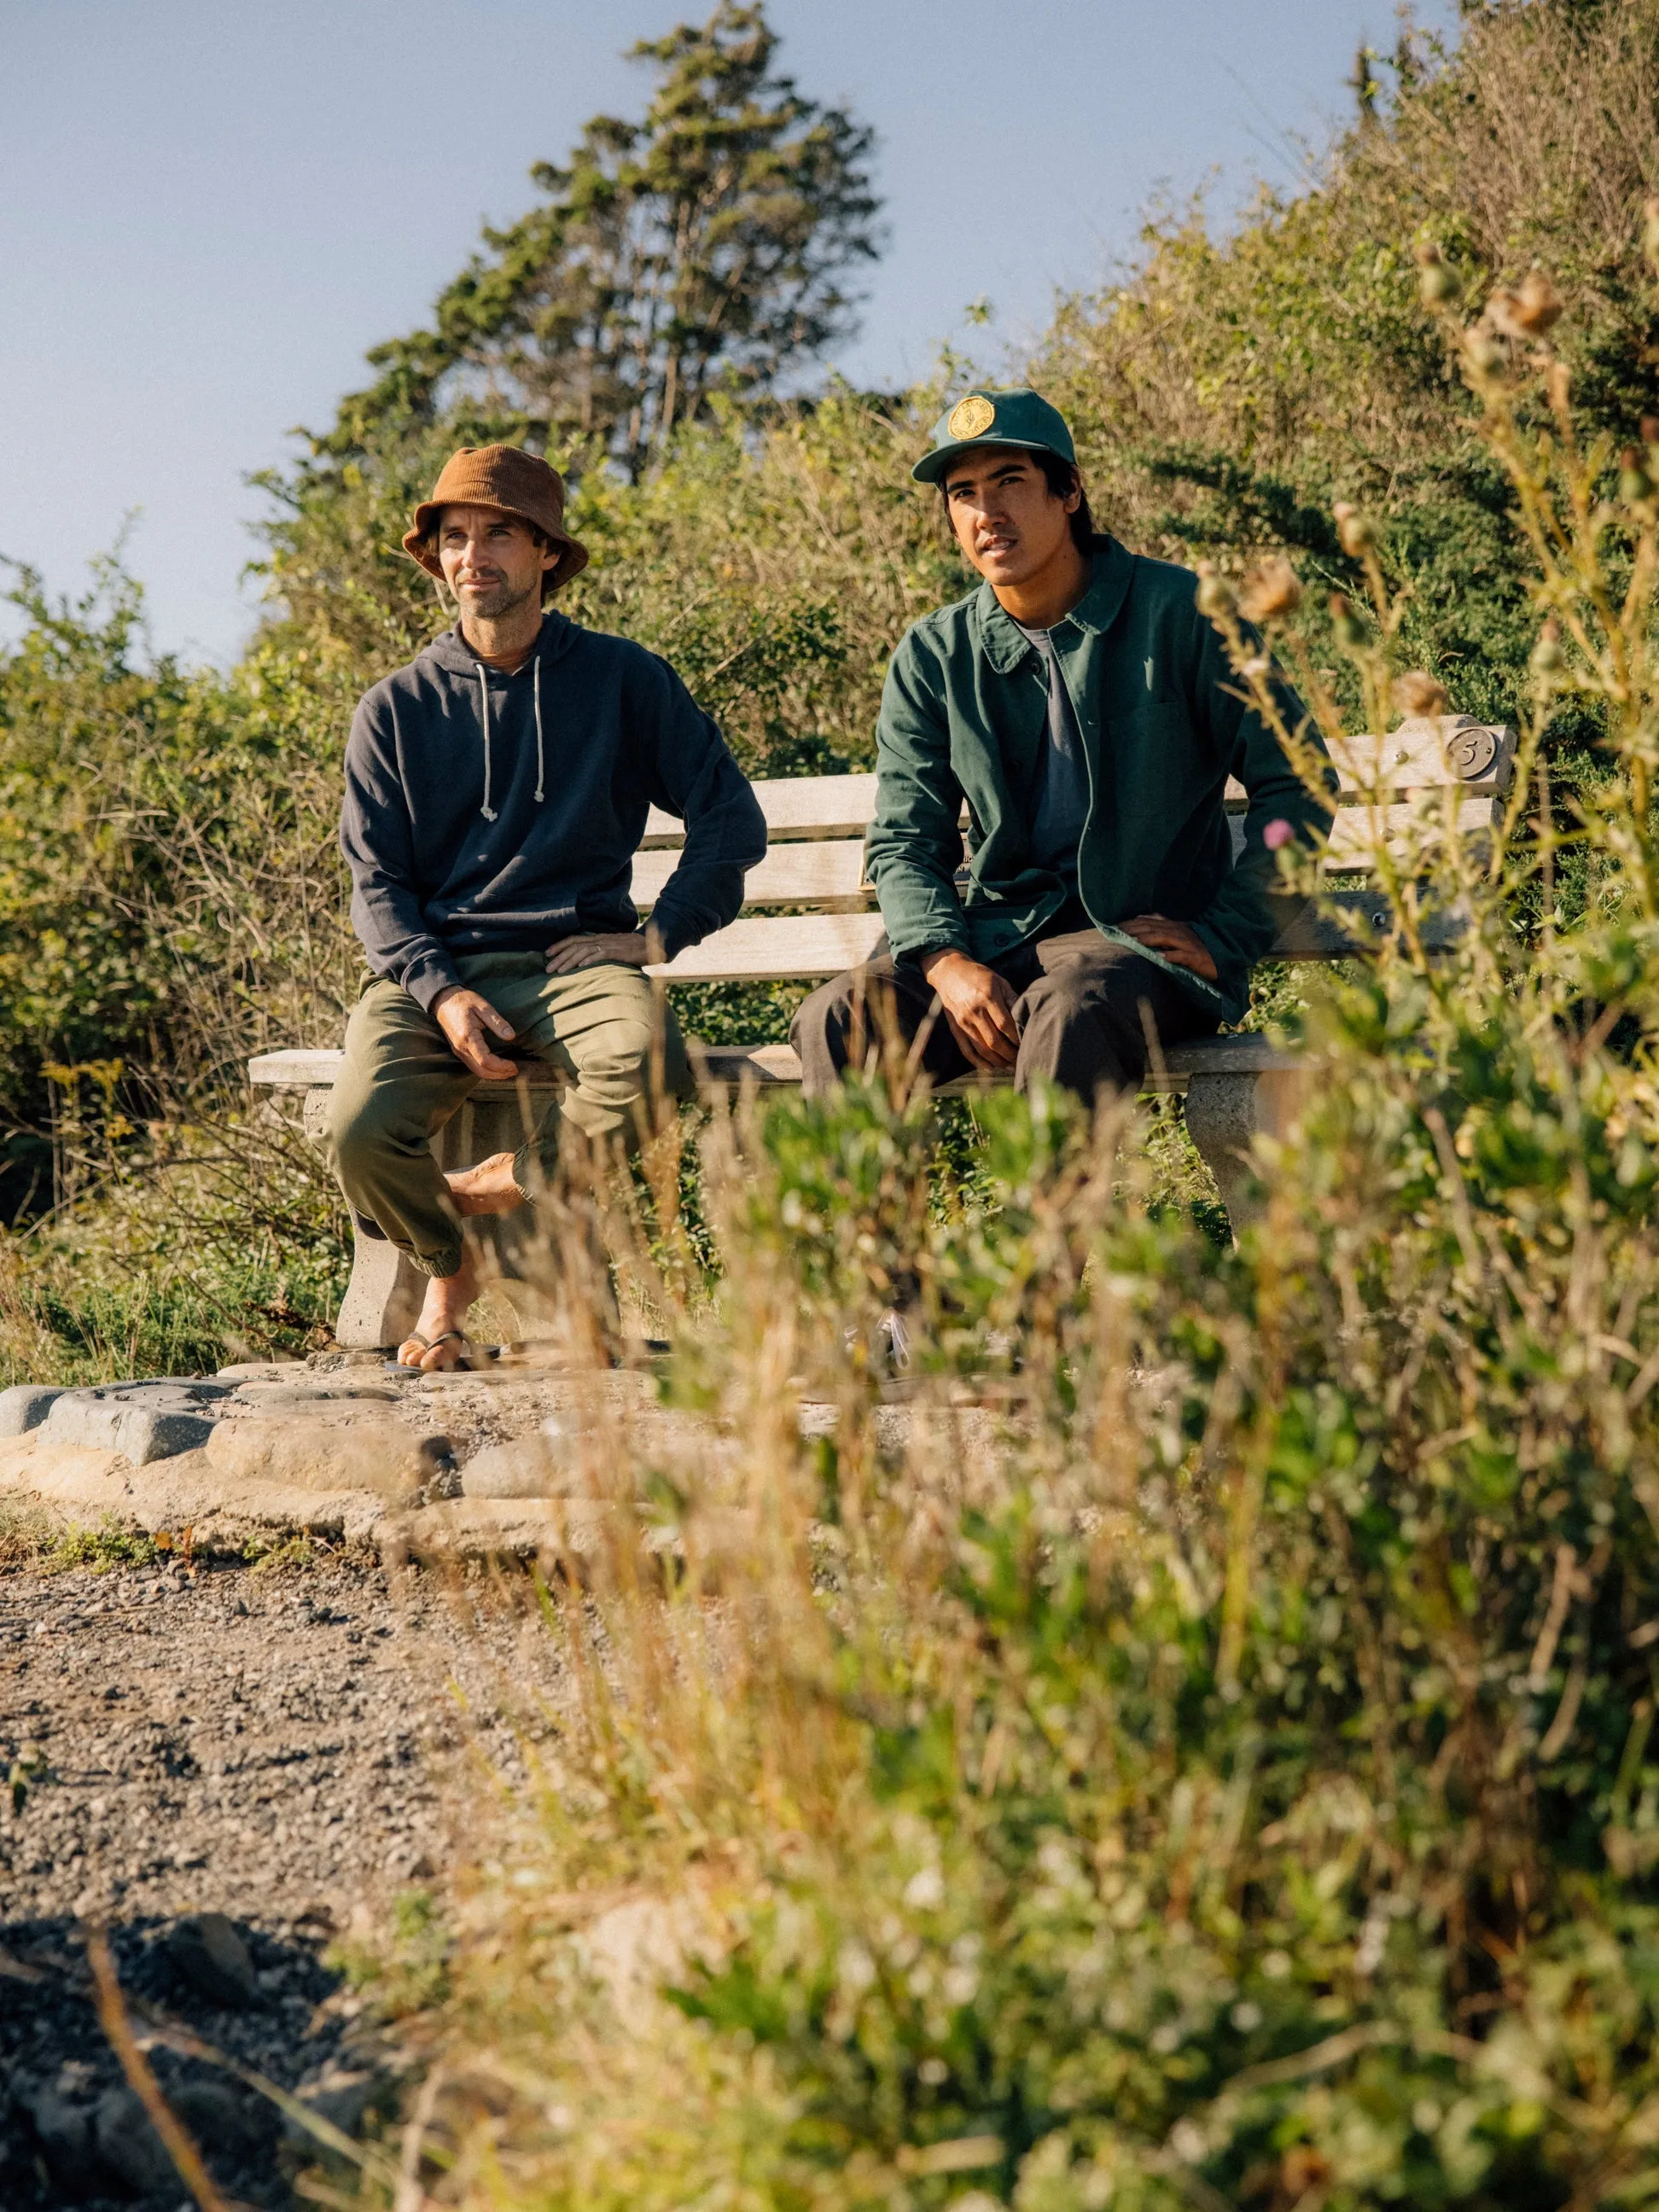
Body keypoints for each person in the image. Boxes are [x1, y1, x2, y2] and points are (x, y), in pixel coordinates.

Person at [325, 444, 766, 1371]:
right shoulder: (394, 709)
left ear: (546, 556)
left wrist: (656, 933)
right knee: (360, 1131)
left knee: (650, 1063)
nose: (471, 555)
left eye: (497, 534)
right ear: (435, 556)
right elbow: (377, 884)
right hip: (436, 972)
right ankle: (455, 1260)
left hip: (575, 963)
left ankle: (499, 1186)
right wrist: (439, 992)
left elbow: (729, 816)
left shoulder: (621, 680)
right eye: (453, 536)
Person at [793, 387, 1334, 1108]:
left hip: (1133, 952)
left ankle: (1050, 1222)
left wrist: (1227, 933)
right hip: (995, 940)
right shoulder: (934, 654)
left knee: (1068, 1008)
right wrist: (947, 960)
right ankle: (871, 1223)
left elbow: (1297, 783)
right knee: (837, 1020)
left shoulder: (1183, 614)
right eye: (964, 494)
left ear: (1070, 490)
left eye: (1011, 482)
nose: (987, 512)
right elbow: (903, 841)